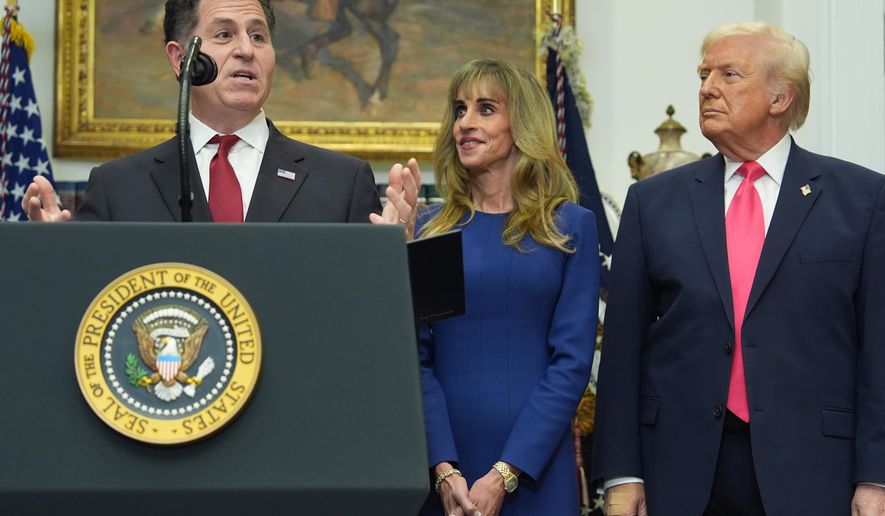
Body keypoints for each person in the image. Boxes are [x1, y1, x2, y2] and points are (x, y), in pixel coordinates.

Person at [591, 22, 885, 516]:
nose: (707, 88)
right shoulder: (652, 202)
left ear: (780, 97)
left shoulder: (862, 199)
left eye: (729, 75)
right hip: (679, 473)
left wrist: (876, 478)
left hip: (814, 471)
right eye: (703, 75)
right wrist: (622, 473)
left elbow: (878, 352)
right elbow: (622, 348)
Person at [22, 0, 418, 233]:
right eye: (224, 35)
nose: (246, 50)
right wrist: (56, 257)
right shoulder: (117, 188)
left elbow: (370, 315)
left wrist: (392, 258)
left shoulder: (342, 182)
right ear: (181, 59)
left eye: (258, 36)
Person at [416, 58, 599, 516]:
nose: (465, 123)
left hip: (535, 471)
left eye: (485, 109)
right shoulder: (428, 229)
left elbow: (572, 362)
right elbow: (415, 361)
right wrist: (444, 469)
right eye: (459, 110)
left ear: (523, 125)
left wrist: (506, 473)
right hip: (444, 472)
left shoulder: (569, 226)